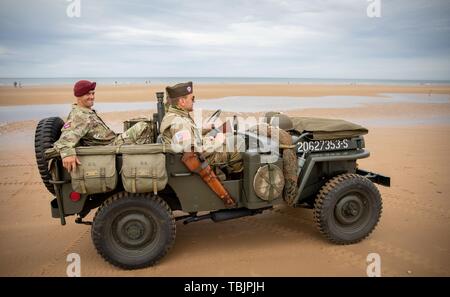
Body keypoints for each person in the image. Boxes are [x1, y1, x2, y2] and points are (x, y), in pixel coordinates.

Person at [159, 81, 242, 206]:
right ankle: (238, 190)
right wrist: (217, 142)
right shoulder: (180, 123)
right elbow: (194, 153)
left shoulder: (174, 115)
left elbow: (188, 136)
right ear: (182, 101)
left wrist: (204, 129)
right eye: (192, 99)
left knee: (229, 140)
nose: (194, 101)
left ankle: (225, 175)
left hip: (189, 155)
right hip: (198, 161)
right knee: (237, 151)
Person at [54, 80, 153, 173]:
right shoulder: (79, 116)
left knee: (142, 121)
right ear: (78, 96)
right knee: (142, 126)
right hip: (109, 147)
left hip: (110, 143)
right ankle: (144, 159)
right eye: (88, 94)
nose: (92, 97)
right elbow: (64, 141)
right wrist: (68, 155)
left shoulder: (85, 112)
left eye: (93, 93)